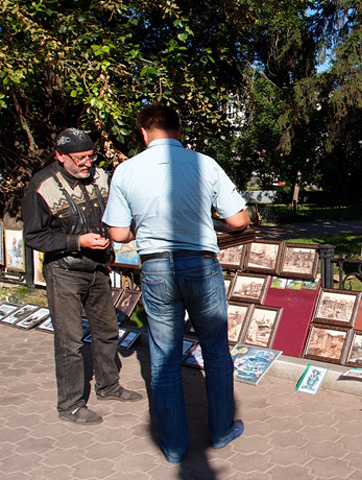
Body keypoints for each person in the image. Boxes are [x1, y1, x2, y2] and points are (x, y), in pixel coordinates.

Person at [102, 104, 250, 463]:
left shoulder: (126, 170)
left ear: (143, 133)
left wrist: (143, 228)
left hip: (156, 268)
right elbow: (239, 221)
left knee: (164, 358)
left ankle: (173, 446)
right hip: (200, 264)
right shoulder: (205, 164)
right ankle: (220, 430)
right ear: (179, 130)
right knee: (215, 351)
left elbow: (118, 233)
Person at [22, 128, 143, 426]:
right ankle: (70, 404)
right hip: (64, 271)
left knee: (107, 330)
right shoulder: (41, 186)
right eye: (80, 158)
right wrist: (77, 242)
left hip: (98, 267)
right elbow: (34, 236)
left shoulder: (101, 176)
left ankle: (108, 385)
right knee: (70, 340)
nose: (88, 163)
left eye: (91, 156)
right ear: (60, 156)